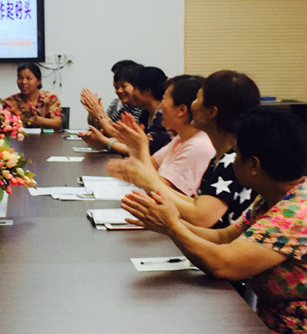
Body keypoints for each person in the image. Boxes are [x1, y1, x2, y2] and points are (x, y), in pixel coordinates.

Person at [120, 107, 307, 333]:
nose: (233, 159)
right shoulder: (274, 197)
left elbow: (223, 264)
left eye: (237, 154)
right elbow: (223, 237)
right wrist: (168, 222)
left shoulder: (294, 215)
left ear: (253, 165)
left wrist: (172, 227)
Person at [108, 70, 260, 228]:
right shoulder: (220, 156)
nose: (192, 105)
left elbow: (201, 217)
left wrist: (150, 182)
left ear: (211, 112)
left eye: (197, 99)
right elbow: (196, 203)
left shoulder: (233, 160)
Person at [113, 75, 215, 197]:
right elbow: (147, 166)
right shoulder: (180, 139)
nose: (161, 106)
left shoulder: (198, 146)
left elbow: (162, 193)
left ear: (182, 110)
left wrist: (141, 146)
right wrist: (135, 146)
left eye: (164, 99)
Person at [80, 66, 171, 155]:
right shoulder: (146, 112)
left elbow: (142, 150)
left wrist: (104, 141)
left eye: (134, 88)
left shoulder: (163, 116)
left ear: (147, 91)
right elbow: (129, 141)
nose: (132, 93)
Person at [81, 60, 143, 128]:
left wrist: (100, 114)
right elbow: (102, 127)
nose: (119, 90)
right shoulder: (119, 104)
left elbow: (114, 131)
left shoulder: (139, 107)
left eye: (123, 86)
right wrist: (93, 111)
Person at [1, 63, 62, 130]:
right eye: (20, 78)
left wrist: (37, 119)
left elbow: (58, 123)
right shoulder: (10, 101)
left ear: (38, 81)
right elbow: (4, 125)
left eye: (28, 78)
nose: (23, 82)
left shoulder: (50, 98)